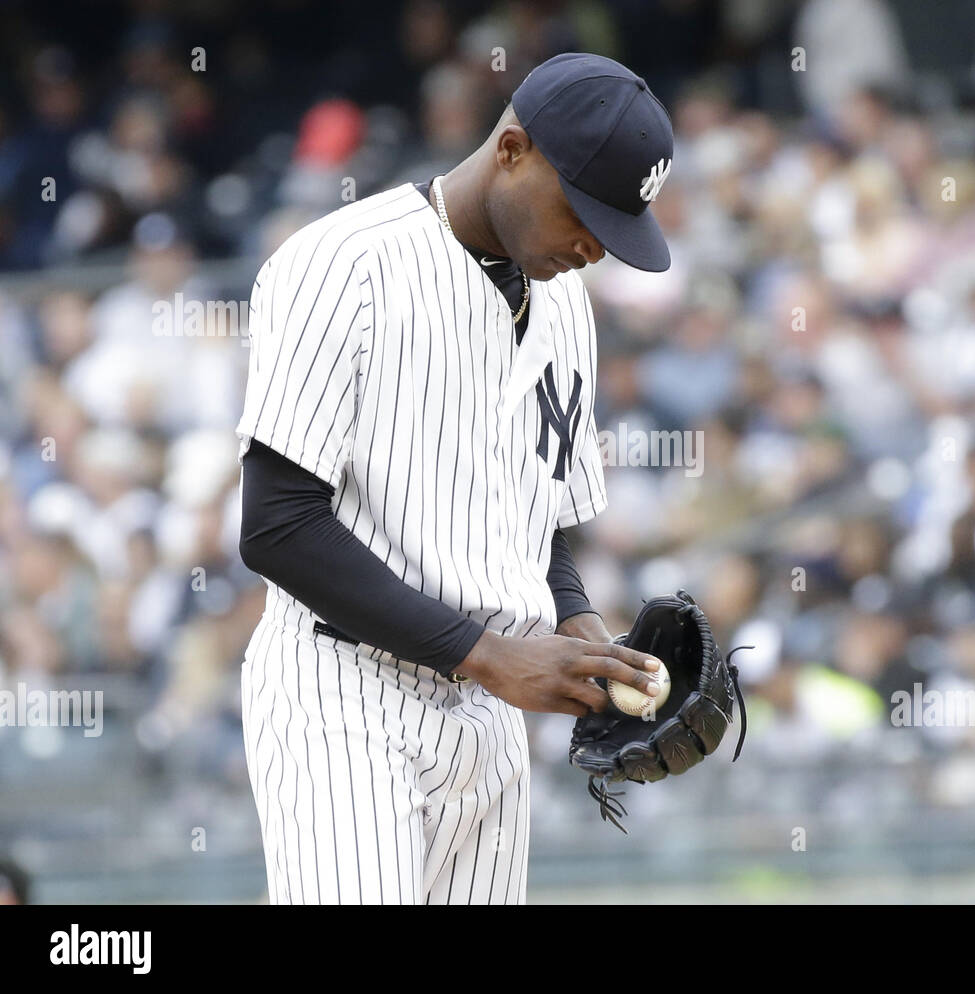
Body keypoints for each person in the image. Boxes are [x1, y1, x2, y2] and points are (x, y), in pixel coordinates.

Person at [235, 53, 674, 904]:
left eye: (614, 229)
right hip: (344, 694)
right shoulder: (341, 263)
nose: (593, 246)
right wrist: (486, 654)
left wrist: (580, 624)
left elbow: (534, 520)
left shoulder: (567, 305)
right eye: (583, 212)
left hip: (490, 716)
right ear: (512, 149)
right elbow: (277, 523)